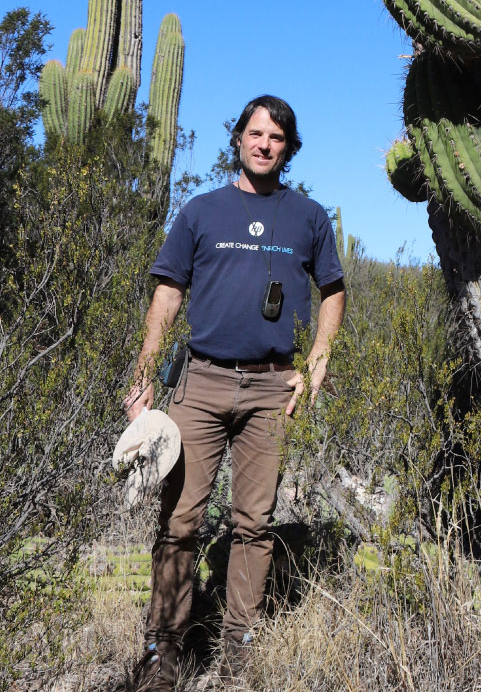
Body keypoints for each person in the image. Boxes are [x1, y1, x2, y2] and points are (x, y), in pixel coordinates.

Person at [123, 95, 346, 689]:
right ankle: (163, 648)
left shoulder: (309, 217)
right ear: (238, 139)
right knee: (179, 520)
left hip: (274, 386)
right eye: (254, 133)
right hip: (200, 379)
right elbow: (167, 295)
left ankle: (239, 646)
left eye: (275, 136)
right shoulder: (201, 211)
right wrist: (144, 372)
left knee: (254, 523)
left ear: (288, 148)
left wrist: (318, 361)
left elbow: (332, 290)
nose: (264, 144)